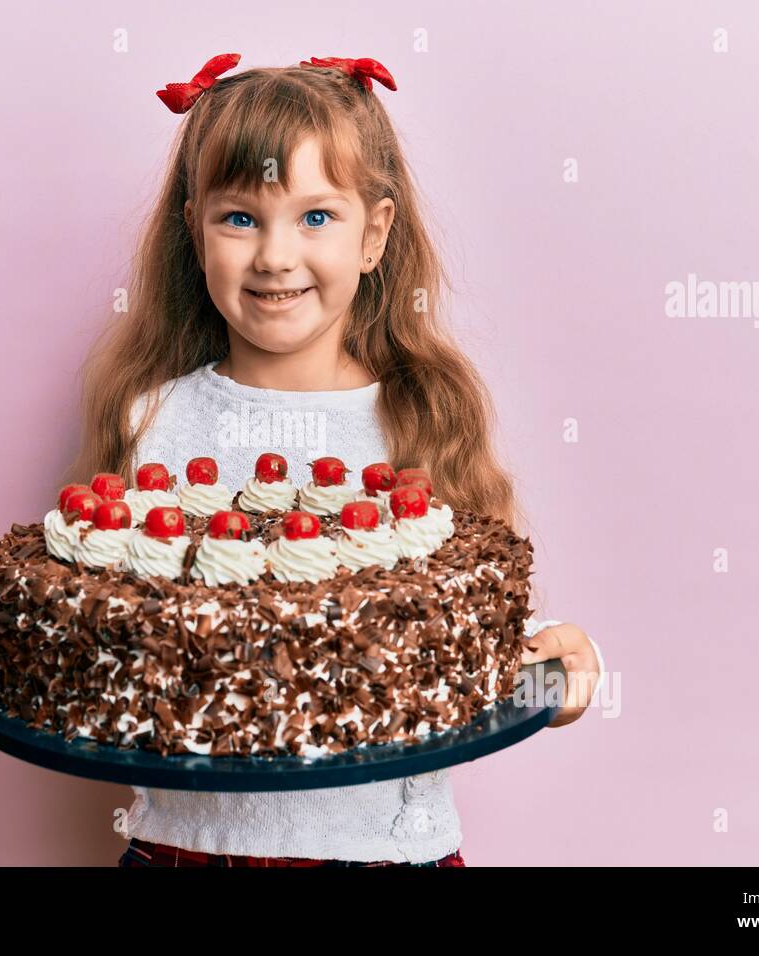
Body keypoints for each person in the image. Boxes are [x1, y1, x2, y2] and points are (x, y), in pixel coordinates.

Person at [65, 53, 607, 867]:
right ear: (193, 227)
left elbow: (456, 618)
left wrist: (556, 656)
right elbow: (101, 617)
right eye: (240, 218)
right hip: (185, 846)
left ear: (374, 234)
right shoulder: (154, 419)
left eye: (316, 217)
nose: (276, 256)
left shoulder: (418, 417)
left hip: (387, 852)